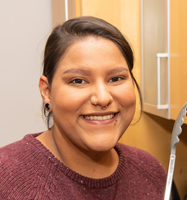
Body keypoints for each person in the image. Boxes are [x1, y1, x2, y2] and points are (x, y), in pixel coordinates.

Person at [0, 16, 167, 199]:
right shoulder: (6, 178)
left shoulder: (150, 172)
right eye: (78, 81)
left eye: (116, 78)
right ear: (47, 92)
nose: (102, 98)